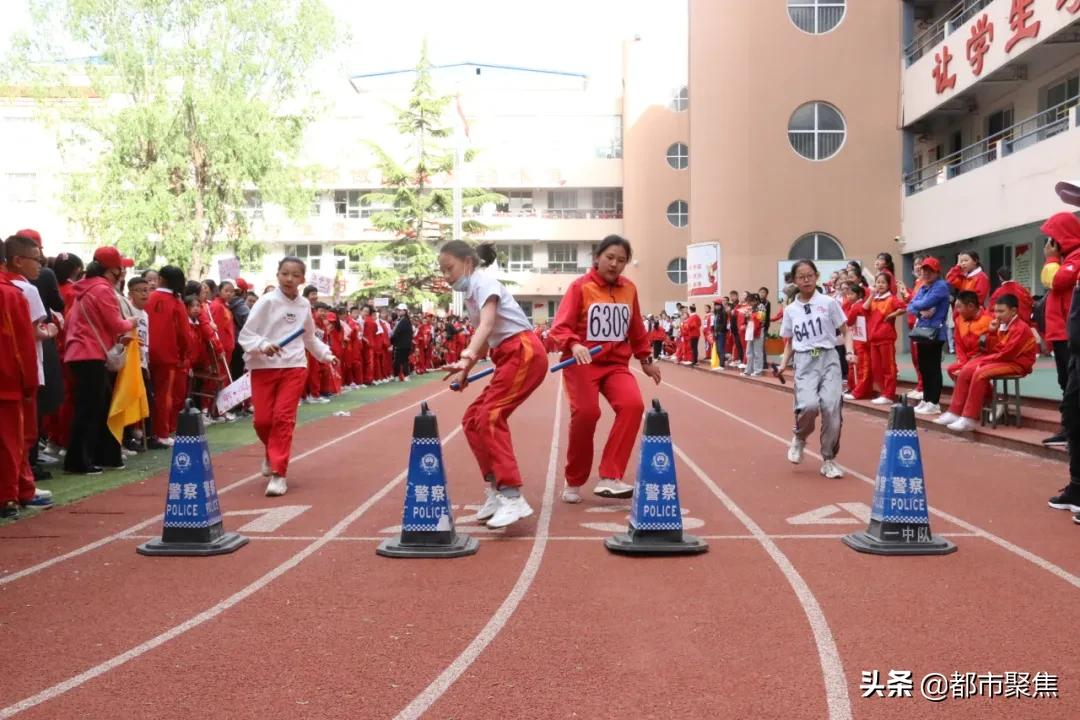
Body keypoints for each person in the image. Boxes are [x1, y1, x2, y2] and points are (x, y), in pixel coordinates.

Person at [439, 241, 546, 529]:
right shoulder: (472, 295)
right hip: (507, 355)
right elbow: (485, 339)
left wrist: (465, 357)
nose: (447, 276)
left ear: (468, 263)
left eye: (449, 268)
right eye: (442, 271)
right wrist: (466, 371)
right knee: (472, 419)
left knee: (490, 416)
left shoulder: (484, 282)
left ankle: (512, 496)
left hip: (523, 351)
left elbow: (487, 325)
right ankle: (497, 488)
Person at [549, 234, 661, 501]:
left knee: (633, 405)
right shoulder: (580, 287)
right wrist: (575, 345)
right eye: (610, 257)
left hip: (615, 364)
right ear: (597, 257)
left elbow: (635, 327)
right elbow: (560, 327)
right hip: (582, 363)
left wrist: (646, 359)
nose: (614, 264)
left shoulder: (629, 289)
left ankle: (610, 476)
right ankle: (573, 480)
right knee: (587, 414)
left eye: (621, 260)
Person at [238, 256, 336, 497]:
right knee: (262, 421)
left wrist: (326, 354)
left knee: (283, 418)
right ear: (277, 274)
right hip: (263, 367)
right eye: (284, 273)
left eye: (295, 275)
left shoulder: (304, 306)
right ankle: (271, 453)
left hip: (294, 366)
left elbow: (309, 338)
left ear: (303, 279)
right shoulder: (267, 302)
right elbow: (246, 335)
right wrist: (263, 345)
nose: (289, 279)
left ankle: (279, 474)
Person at [775, 259, 854, 479]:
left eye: (810, 275)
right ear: (795, 280)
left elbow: (846, 331)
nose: (806, 280)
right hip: (804, 361)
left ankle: (828, 459)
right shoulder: (791, 310)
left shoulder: (829, 303)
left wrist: (849, 352)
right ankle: (800, 438)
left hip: (829, 358)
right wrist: (783, 364)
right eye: (801, 277)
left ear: (816, 276)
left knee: (831, 408)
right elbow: (789, 341)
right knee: (808, 406)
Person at [62, 249, 137, 474]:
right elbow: (115, 323)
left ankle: (95, 455)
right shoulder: (103, 290)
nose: (122, 272)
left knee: (95, 406)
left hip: (81, 352)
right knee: (91, 409)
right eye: (120, 268)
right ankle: (79, 461)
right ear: (111, 269)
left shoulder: (86, 288)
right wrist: (132, 321)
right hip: (90, 354)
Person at [935, 294, 1037, 432]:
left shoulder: (1020, 328)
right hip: (1003, 359)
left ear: (1013, 311)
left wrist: (983, 361)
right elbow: (993, 349)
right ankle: (955, 411)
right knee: (966, 369)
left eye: (1001, 311)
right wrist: (992, 333)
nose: (997, 315)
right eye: (996, 311)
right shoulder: (1002, 325)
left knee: (980, 372)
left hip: (1017, 363)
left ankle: (969, 418)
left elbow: (1007, 353)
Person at [0, 242, 41, 518]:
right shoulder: (12, 294)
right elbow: (25, 345)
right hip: (7, 382)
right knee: (10, 442)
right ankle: (8, 496)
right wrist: (29, 382)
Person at [1039, 212, 1080, 447]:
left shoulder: (1075, 257)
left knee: (1071, 384)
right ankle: (1069, 428)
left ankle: (1072, 431)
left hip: (1070, 333)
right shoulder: (1067, 258)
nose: (1048, 244)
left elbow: (1055, 281)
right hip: (1061, 333)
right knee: (1065, 382)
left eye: (1051, 238)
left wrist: (1051, 258)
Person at [146, 266, 190, 445]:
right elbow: (184, 333)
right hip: (168, 355)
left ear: (161, 279)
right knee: (164, 396)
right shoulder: (176, 302)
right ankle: (162, 433)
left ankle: (143, 432)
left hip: (145, 353)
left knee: (147, 394)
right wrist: (184, 354)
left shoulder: (149, 297)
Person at [905, 257, 952, 416]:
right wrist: (919, 310)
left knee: (933, 367)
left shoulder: (941, 286)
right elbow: (911, 306)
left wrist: (919, 305)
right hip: (923, 332)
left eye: (929, 270)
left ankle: (934, 402)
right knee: (924, 366)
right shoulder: (924, 287)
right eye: (924, 270)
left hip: (935, 332)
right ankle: (926, 398)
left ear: (937, 272)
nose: (925, 273)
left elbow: (923, 302)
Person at [862, 272, 905, 405]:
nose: (880, 285)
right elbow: (864, 309)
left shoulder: (891, 299)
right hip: (873, 339)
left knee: (888, 368)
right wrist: (871, 295)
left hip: (886, 338)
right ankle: (883, 392)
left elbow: (903, 307)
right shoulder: (874, 298)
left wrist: (892, 315)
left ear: (888, 285)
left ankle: (889, 394)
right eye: (878, 282)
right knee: (876, 368)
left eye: (883, 282)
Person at [946, 291, 992, 381]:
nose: (957, 311)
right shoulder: (959, 320)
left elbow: (990, 346)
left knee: (967, 371)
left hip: (983, 358)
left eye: (959, 307)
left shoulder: (988, 319)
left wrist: (968, 365)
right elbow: (959, 345)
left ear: (971, 306)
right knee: (951, 369)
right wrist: (964, 363)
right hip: (967, 360)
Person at [391, 304, 414, 381]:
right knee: (403, 360)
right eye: (398, 310)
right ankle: (404, 375)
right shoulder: (405, 320)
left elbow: (397, 333)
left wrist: (392, 341)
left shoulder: (404, 321)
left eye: (400, 310)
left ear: (405, 311)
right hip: (405, 344)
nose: (398, 312)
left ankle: (398, 376)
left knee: (399, 360)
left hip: (401, 344)